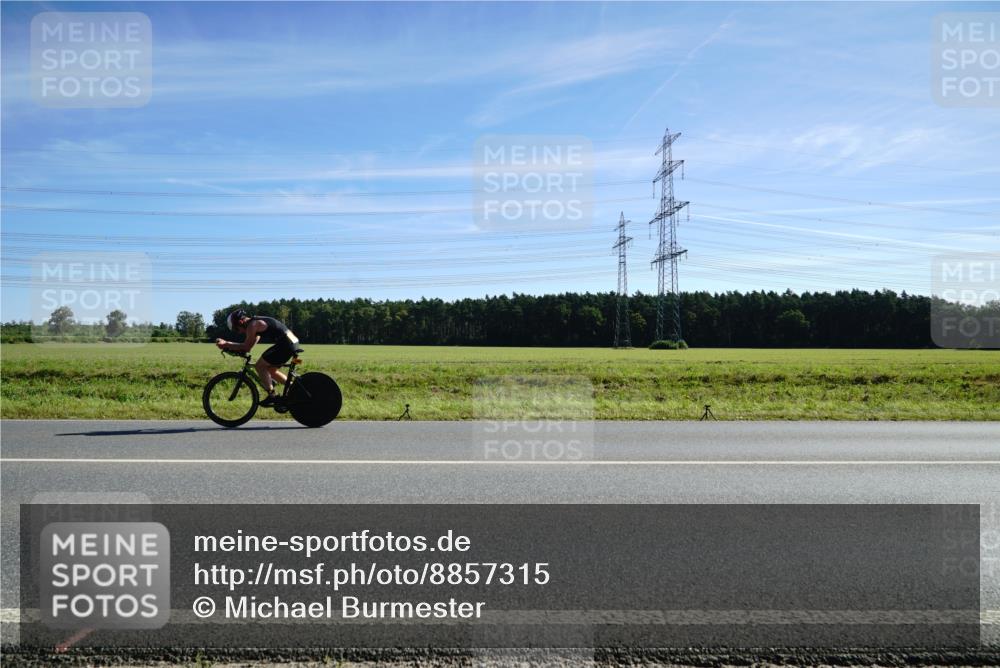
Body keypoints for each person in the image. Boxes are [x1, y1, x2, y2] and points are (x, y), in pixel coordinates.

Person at [215, 309, 303, 407]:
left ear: (241, 322)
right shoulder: (255, 322)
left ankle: (272, 396)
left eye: (237, 329)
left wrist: (226, 344)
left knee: (260, 366)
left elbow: (246, 347)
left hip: (286, 344)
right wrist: (235, 348)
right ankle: (294, 388)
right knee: (271, 370)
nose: (239, 332)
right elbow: (250, 346)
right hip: (291, 342)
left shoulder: (252, 325)